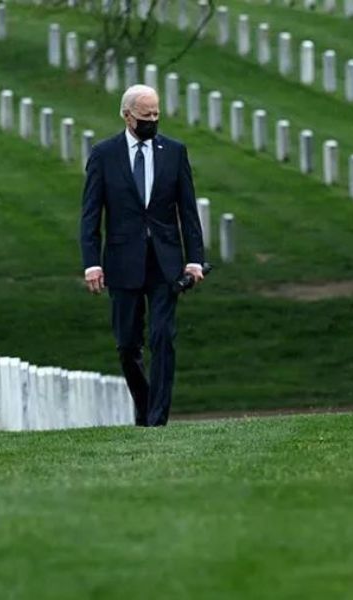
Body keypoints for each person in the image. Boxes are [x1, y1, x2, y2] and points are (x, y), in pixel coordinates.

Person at [80, 84, 205, 427]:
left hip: (165, 261)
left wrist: (195, 259)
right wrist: (92, 263)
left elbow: (188, 211)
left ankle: (157, 418)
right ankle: (146, 402)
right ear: (126, 115)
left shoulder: (174, 152)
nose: (152, 120)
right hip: (123, 261)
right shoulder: (105, 155)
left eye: (156, 114)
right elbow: (91, 213)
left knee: (163, 338)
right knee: (127, 345)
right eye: (145, 115)